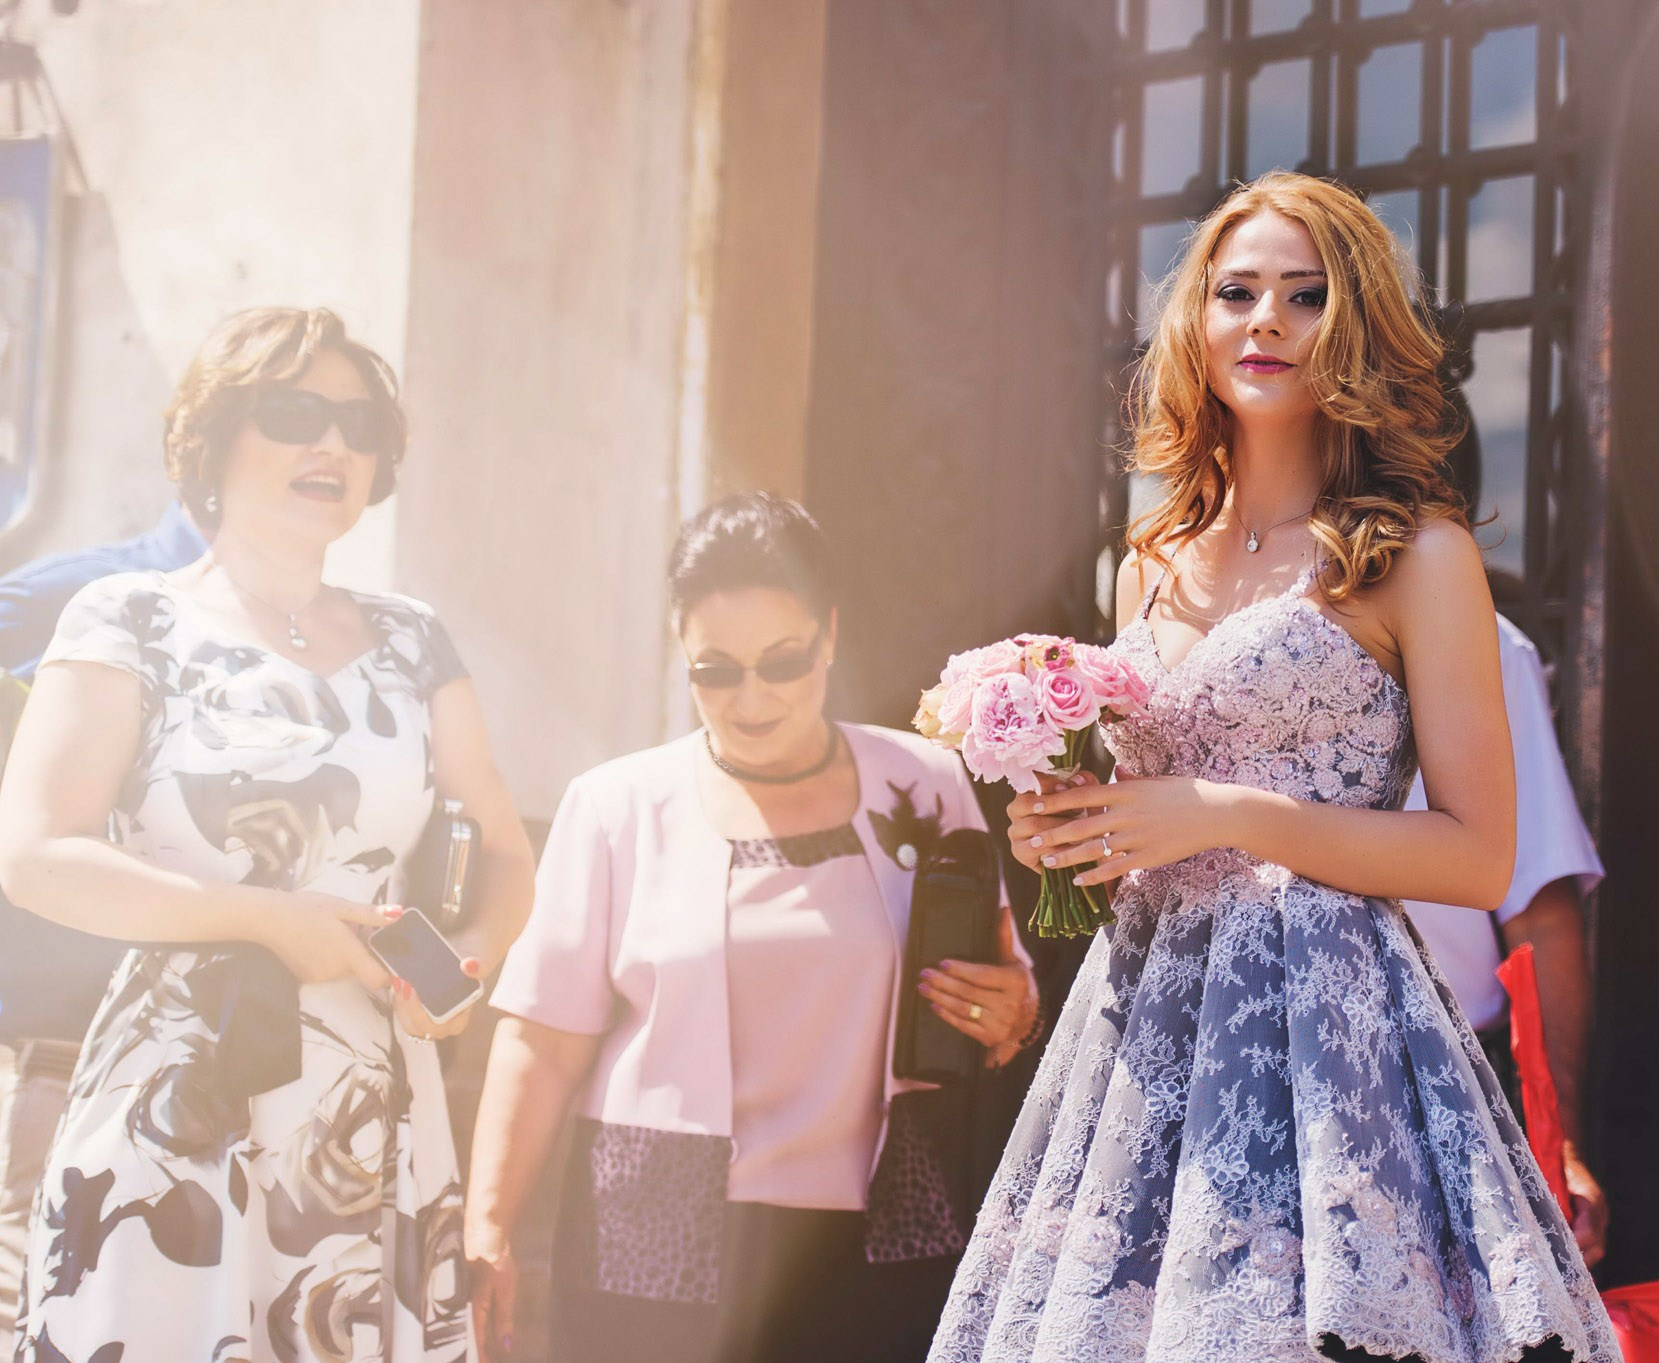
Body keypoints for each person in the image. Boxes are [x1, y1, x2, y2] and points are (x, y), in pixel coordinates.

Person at [929, 172, 1620, 1363]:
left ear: (1351, 328)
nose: (1265, 321)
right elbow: (1147, 822)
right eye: (1236, 291)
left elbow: (1479, 853)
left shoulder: (1415, 554)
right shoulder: (1145, 562)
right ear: (1193, 322)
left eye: (1303, 297)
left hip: (1331, 1034)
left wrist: (1225, 811)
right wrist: (1073, 832)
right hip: (1143, 1031)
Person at [0, 306, 535, 1362]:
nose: (330, 444)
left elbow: (512, 854)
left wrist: (470, 957)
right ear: (217, 434)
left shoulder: (412, 636)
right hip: (183, 1094)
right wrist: (265, 918)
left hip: (369, 1108)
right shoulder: (127, 617)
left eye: (357, 423)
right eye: (294, 414)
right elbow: (32, 855)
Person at [464, 492, 1042, 1363]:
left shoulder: (923, 781)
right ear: (682, 656)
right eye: (717, 670)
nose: (752, 695)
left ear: (830, 637)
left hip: (881, 1229)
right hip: (648, 1229)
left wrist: (1011, 1012)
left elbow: (1006, 987)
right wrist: (489, 1224)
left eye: (782, 662)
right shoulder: (617, 805)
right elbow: (541, 1038)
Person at [0, 503, 206, 1343]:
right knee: (30, 1297)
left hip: (212, 1050)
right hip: (63, 1039)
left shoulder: (328, 623)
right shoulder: (63, 597)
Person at [1401, 614, 1610, 1267]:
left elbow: (1541, 919)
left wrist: (1562, 1143)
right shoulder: (1180, 600)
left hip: (1447, 1099)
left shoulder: (1484, 644)